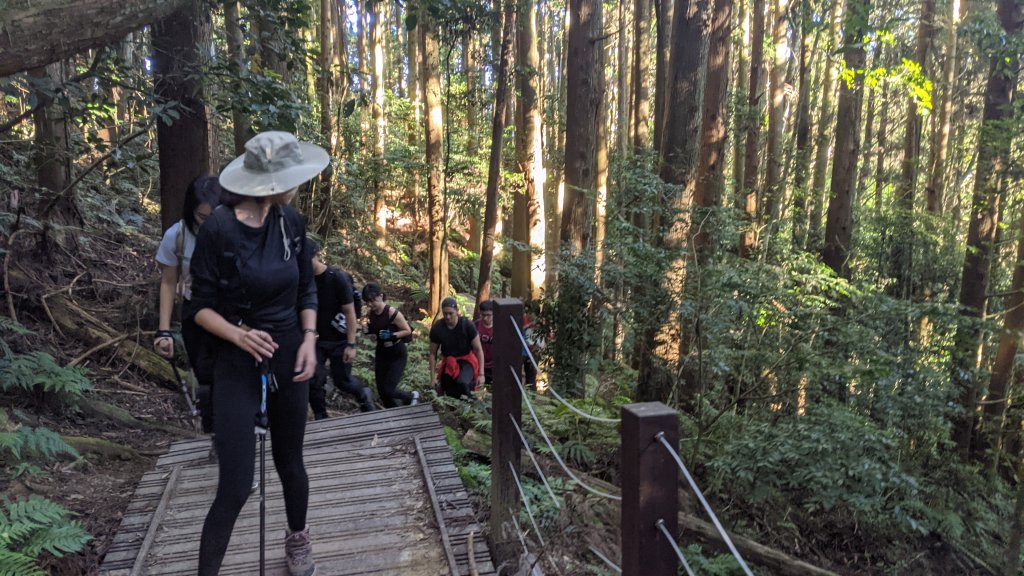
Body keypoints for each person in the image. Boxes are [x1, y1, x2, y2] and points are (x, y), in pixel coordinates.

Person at [186, 131, 327, 576]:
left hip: (289, 349)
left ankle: (298, 537)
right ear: (270, 183)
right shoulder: (219, 229)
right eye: (293, 178)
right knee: (236, 483)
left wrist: (308, 338)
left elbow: (306, 286)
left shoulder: (292, 222)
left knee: (291, 462)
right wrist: (239, 335)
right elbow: (198, 308)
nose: (297, 185)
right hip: (235, 356)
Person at [153, 176, 222, 434]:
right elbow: (168, 283)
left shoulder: (233, 231)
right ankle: (213, 432)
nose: (207, 223)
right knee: (204, 374)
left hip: (228, 313)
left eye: (213, 216)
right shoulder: (177, 236)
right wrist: (164, 331)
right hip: (194, 313)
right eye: (202, 217)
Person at [308, 240, 376, 416]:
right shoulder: (305, 280)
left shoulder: (336, 278)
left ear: (314, 256)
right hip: (319, 339)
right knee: (313, 379)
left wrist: (351, 345)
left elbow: (350, 312)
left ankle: (363, 395)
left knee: (342, 381)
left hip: (340, 339)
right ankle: (321, 416)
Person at [362, 283, 418, 408]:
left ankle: (411, 396)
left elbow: (407, 330)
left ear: (381, 296)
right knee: (382, 390)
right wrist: (367, 328)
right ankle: (393, 412)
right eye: (367, 302)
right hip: (382, 353)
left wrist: (392, 335)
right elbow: (373, 329)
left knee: (389, 389)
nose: (370, 304)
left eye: (372, 300)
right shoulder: (370, 314)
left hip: (397, 353)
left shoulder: (392, 313)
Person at [429, 297, 486, 399]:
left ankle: (471, 402)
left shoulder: (467, 325)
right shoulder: (438, 327)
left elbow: (478, 349)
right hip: (449, 361)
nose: (448, 316)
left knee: (462, 383)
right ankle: (455, 408)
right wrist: (433, 378)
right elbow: (433, 353)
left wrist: (481, 374)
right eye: (445, 313)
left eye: (451, 313)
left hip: (466, 360)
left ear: (457, 311)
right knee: (449, 389)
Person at [474, 300, 495, 385]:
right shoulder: (475, 326)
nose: (485, 318)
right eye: (483, 315)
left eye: (488, 315)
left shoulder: (500, 327)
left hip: (493, 366)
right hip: (477, 363)